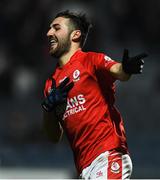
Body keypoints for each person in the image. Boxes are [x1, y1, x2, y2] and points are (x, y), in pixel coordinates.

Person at [41, 10, 148, 179]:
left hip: (108, 156)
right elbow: (53, 136)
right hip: (84, 168)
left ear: (75, 35)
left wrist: (126, 68)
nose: (49, 33)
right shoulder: (51, 84)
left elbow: (118, 71)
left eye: (56, 28)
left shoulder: (90, 60)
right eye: (49, 29)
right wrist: (48, 109)